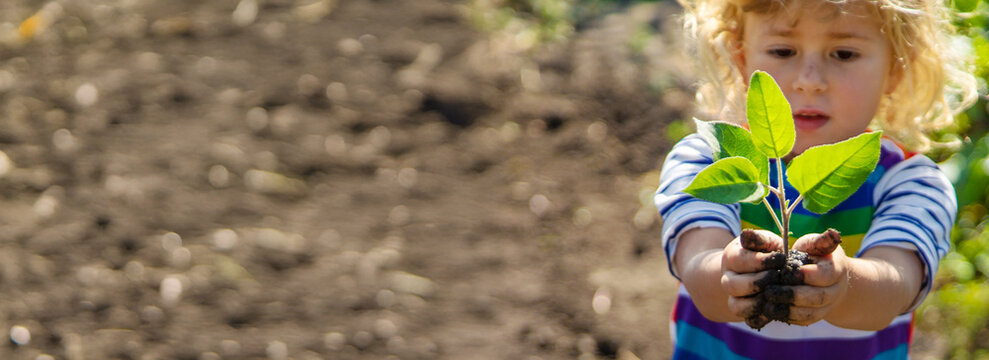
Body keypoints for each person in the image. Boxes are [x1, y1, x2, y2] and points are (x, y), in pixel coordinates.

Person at [653, 0, 979, 358]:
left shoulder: (912, 184)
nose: (809, 81)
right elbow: (702, 273)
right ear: (741, 58)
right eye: (783, 50)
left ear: (896, 68)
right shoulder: (710, 161)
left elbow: (893, 286)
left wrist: (840, 285)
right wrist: (732, 269)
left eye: (843, 53)